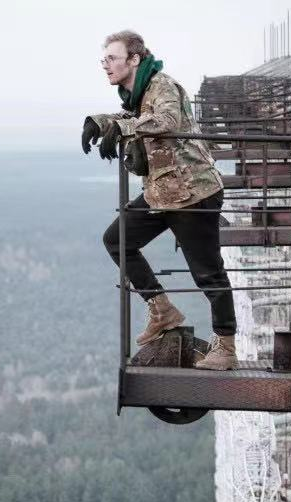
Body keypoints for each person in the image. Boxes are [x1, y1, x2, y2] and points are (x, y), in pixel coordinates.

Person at [81, 30, 238, 371]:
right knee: (117, 239)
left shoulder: (163, 85)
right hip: (163, 192)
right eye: (103, 59)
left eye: (112, 58)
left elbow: (167, 121)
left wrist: (121, 131)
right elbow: (133, 119)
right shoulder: (138, 92)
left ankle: (225, 348)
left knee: (208, 272)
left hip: (194, 192)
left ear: (134, 59)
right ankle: (162, 310)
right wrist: (99, 123)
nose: (105, 65)